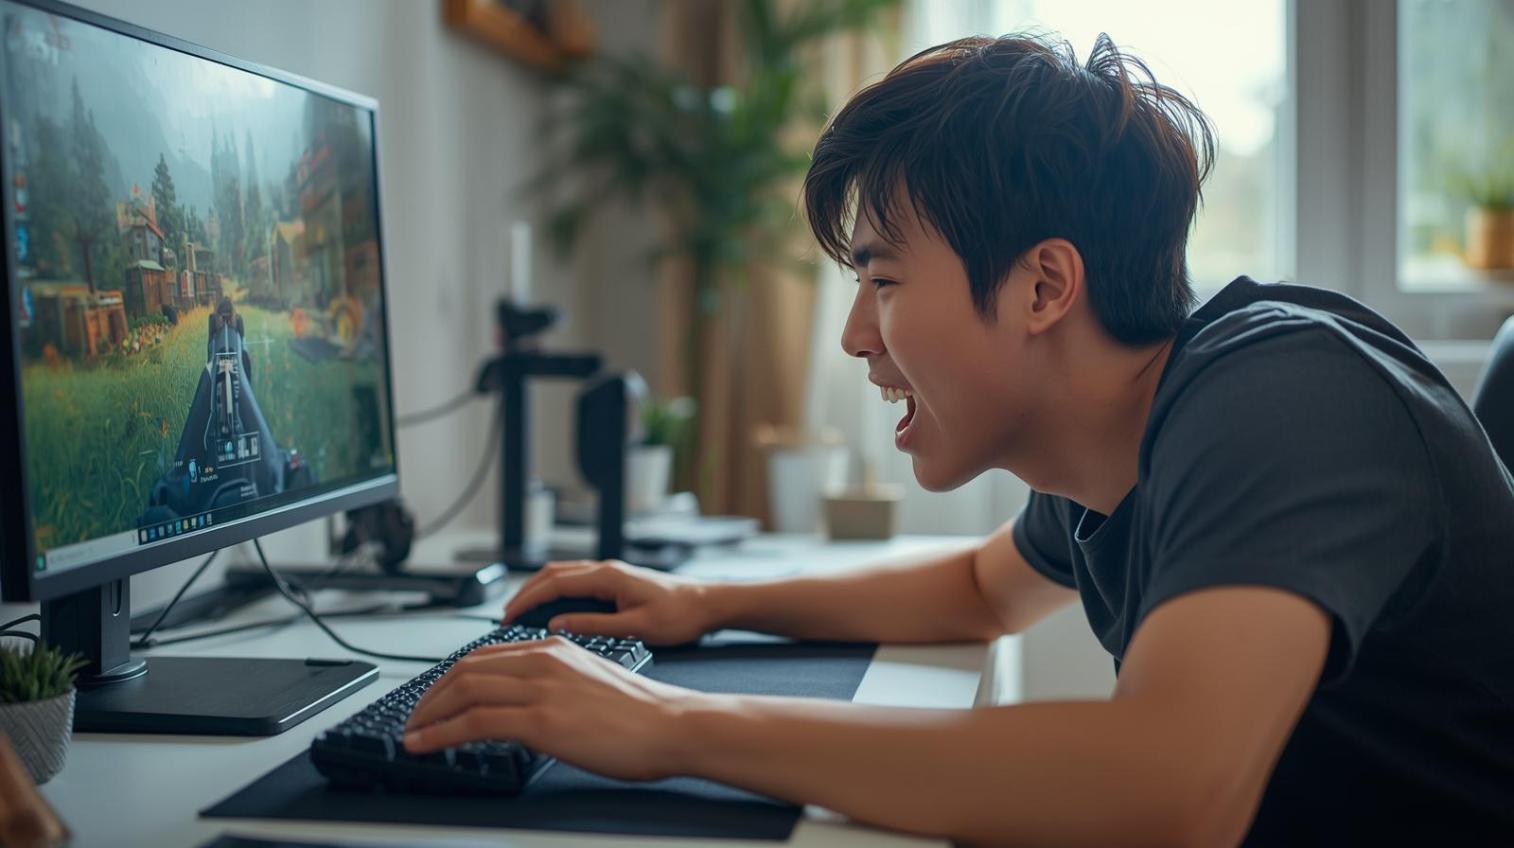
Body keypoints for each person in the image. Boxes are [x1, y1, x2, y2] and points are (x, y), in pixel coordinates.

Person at [404, 33, 1514, 846]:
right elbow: (975, 592)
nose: (852, 334)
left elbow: (1167, 788)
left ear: (1042, 285)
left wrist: (670, 723)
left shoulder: (1282, 399)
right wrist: (704, 605)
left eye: (882, 280)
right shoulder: (1126, 441)